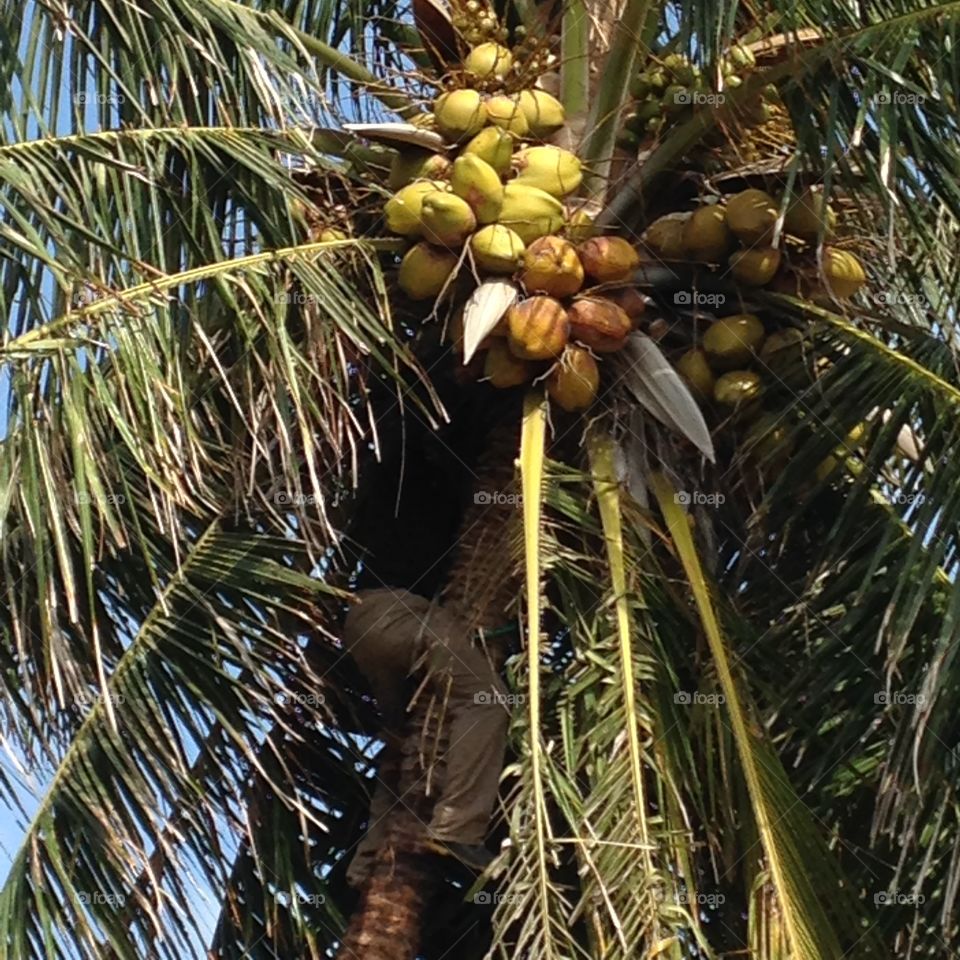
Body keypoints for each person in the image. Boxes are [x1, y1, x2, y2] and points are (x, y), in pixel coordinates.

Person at [342, 586, 510, 887]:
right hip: (403, 620)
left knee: (402, 739)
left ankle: (364, 864)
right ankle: (456, 827)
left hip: (361, 632)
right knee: (486, 702)